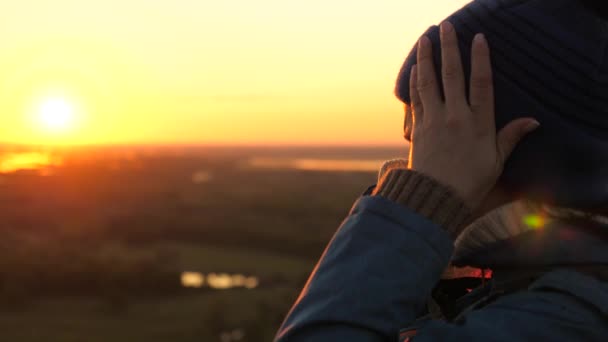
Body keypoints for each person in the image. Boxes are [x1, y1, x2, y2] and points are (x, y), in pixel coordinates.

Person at [274, 0, 608, 341]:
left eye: (428, 128)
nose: (415, 152)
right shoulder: (532, 292)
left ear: (513, 150)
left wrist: (417, 206)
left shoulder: (560, 323)